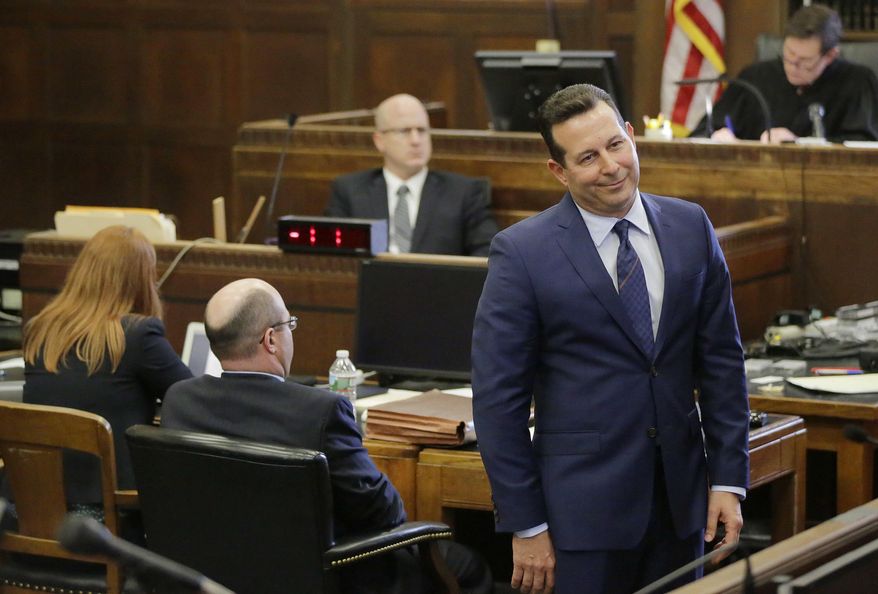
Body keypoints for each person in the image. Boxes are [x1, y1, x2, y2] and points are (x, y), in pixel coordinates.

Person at [471, 84, 750, 594]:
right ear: (559, 170)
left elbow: (722, 362)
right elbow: (497, 402)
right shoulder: (522, 253)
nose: (610, 166)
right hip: (579, 519)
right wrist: (526, 525)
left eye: (615, 145)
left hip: (682, 505)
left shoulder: (692, 227)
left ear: (632, 135)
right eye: (587, 157)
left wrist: (729, 480)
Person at [161, 278, 491, 594]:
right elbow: (382, 513)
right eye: (289, 325)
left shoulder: (179, 401)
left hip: (215, 573)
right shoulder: (320, 411)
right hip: (325, 577)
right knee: (469, 568)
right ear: (271, 340)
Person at [21, 225, 192, 508]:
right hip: (107, 523)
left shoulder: (40, 329)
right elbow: (191, 399)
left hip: (31, 513)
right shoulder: (139, 335)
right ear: (141, 280)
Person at [325, 93, 498, 256]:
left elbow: (487, 252)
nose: (416, 141)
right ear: (379, 141)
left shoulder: (463, 192)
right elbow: (333, 256)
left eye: (422, 130)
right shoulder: (350, 191)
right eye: (404, 131)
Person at [690, 4, 878, 143]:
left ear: (830, 55)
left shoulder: (858, 82)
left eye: (804, 61)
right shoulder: (754, 78)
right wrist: (717, 135)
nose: (792, 66)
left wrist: (797, 142)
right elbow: (702, 131)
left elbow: (863, 146)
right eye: (789, 54)